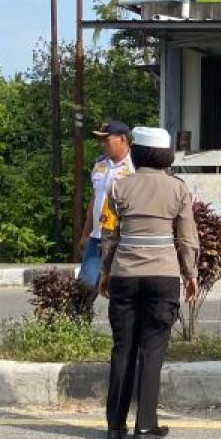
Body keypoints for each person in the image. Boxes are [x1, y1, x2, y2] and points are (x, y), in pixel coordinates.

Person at [98, 126, 199, 439]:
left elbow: (110, 235)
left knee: (122, 348)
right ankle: (145, 428)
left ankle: (115, 427)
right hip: (163, 277)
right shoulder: (178, 189)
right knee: (151, 350)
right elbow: (186, 238)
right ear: (166, 155)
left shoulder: (118, 187)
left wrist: (105, 271)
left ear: (138, 152)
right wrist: (191, 273)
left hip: (124, 274)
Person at [77, 120, 134, 306]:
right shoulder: (100, 164)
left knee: (121, 289)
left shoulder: (136, 166)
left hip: (121, 237)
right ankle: (77, 329)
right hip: (97, 236)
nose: (102, 144)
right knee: (84, 287)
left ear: (122, 139)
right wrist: (86, 234)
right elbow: (95, 200)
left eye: (106, 139)